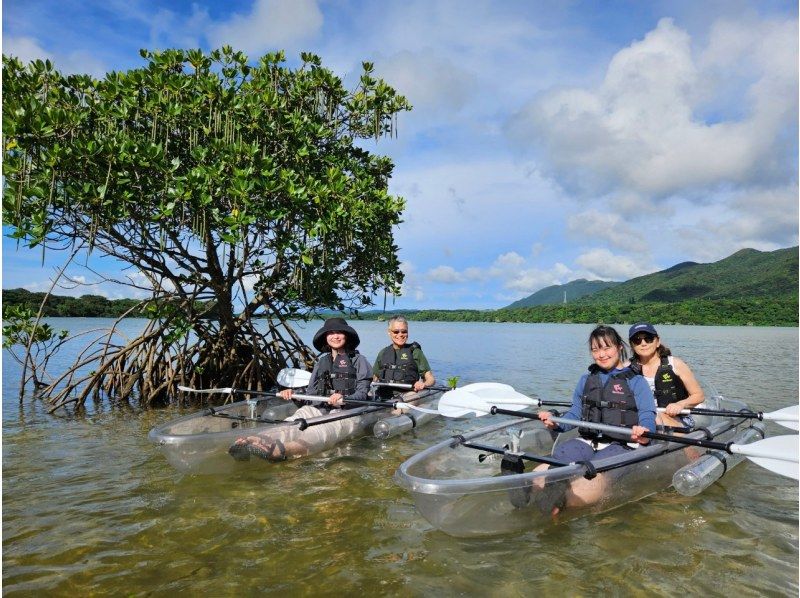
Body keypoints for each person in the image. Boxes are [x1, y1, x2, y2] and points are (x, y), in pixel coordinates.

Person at [534, 325, 657, 513]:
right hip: (588, 440)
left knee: (587, 482)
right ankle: (549, 501)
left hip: (622, 443)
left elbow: (648, 414)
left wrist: (645, 432)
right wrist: (555, 422)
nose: (601, 354)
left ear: (619, 348)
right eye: (595, 349)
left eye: (607, 348)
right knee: (548, 468)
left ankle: (556, 504)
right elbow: (575, 414)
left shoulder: (636, 381)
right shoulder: (586, 380)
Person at [229, 317, 372, 462]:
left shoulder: (359, 360)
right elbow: (311, 394)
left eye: (340, 333)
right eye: (331, 333)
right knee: (292, 423)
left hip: (347, 412)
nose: (335, 336)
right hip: (319, 407)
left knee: (320, 432)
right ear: (325, 337)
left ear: (347, 336)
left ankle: (280, 450)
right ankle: (252, 440)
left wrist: (342, 400)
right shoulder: (321, 362)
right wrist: (295, 395)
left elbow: (362, 394)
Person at [627, 322, 704, 429]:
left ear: (658, 342)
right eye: (637, 340)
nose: (643, 343)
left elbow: (699, 395)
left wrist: (680, 404)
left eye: (648, 339)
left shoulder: (676, 364)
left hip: (678, 418)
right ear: (632, 345)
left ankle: (686, 444)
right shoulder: (627, 368)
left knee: (654, 418)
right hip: (642, 418)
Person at [372, 315, 435, 396]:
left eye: (404, 331)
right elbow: (374, 378)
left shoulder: (415, 352)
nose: (400, 334)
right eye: (396, 332)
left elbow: (430, 379)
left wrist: (423, 384)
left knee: (407, 400)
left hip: (408, 394)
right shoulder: (383, 353)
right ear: (389, 332)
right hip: (384, 393)